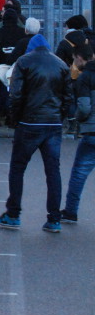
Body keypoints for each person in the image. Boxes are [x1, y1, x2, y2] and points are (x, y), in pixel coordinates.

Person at [0, 33, 71, 232]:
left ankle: (13, 214)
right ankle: (54, 218)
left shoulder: (24, 62)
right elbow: (68, 97)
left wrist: (15, 119)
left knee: (18, 168)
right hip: (53, 123)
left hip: (29, 122)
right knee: (53, 171)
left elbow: (16, 94)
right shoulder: (61, 65)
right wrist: (59, 117)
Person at [62, 45, 95, 223]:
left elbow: (83, 107)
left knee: (79, 173)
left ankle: (70, 211)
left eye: (74, 60)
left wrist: (78, 119)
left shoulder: (85, 78)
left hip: (92, 131)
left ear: (80, 58)